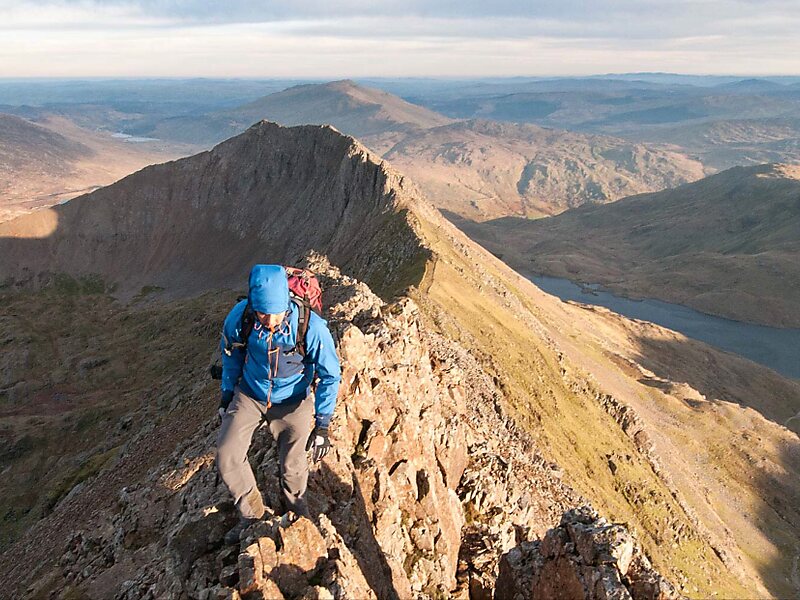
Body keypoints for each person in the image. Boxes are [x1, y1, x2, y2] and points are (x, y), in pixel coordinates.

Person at [216, 264, 341, 544]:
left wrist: (322, 425)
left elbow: (330, 375)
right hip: (250, 394)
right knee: (227, 455)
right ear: (253, 305)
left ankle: (298, 517)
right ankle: (253, 517)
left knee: (293, 467)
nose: (270, 321)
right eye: (263, 314)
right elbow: (231, 355)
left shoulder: (311, 327)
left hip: (293, 402)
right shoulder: (241, 318)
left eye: (276, 314)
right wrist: (227, 395)